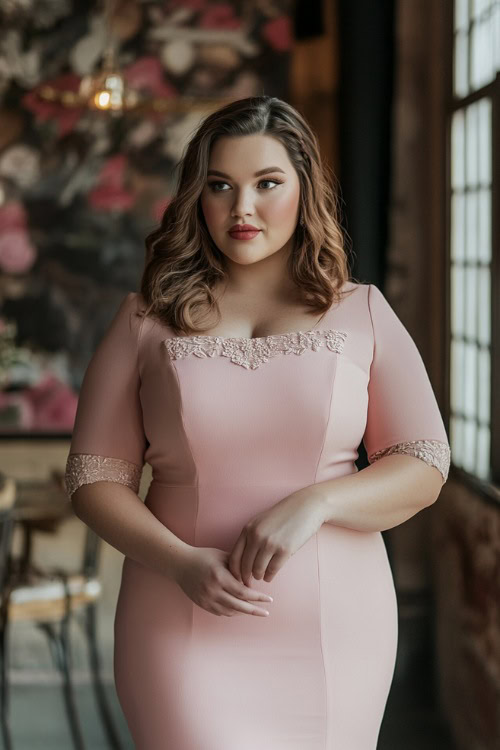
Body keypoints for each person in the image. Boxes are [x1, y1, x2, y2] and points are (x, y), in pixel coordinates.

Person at [64, 95, 451, 750]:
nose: (242, 209)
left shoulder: (363, 312)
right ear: (197, 197)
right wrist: (182, 563)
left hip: (337, 627)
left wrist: (319, 501)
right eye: (220, 186)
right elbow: (94, 479)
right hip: (178, 619)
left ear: (304, 189)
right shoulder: (145, 319)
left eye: (267, 184)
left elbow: (424, 463)